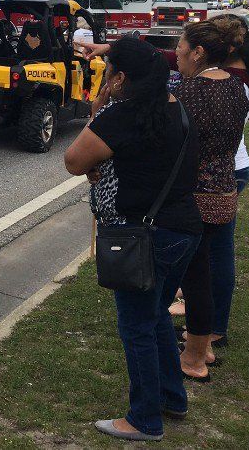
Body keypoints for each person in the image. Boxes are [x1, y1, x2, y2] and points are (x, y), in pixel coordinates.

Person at [64, 37, 202, 442]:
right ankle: (172, 397)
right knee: (157, 313)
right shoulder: (175, 106)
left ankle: (144, 419)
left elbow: (74, 160)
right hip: (183, 228)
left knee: (137, 324)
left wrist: (101, 105)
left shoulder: (123, 113)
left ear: (121, 78)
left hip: (144, 234)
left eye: (110, 74)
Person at [173, 18, 249, 382]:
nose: (177, 55)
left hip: (194, 194)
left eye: (181, 49)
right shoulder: (237, 87)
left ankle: (195, 354)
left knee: (195, 277)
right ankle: (205, 343)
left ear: (199, 53)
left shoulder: (189, 93)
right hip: (224, 188)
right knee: (213, 267)